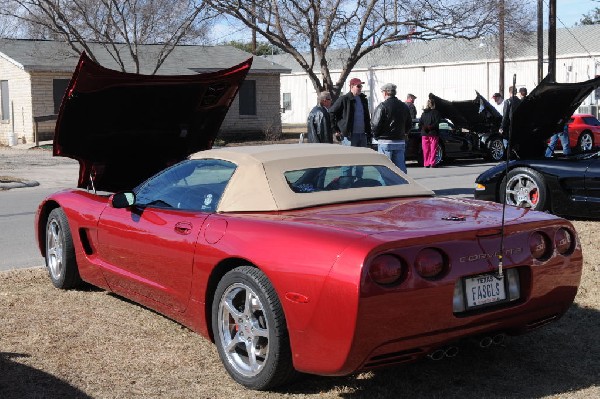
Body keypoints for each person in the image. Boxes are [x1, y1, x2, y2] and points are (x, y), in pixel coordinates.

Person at [371, 83, 412, 173]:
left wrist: (376, 136)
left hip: (385, 142)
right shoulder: (404, 106)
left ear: (385, 93)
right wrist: (404, 133)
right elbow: (409, 123)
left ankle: (387, 187)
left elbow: (375, 124)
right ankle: (403, 185)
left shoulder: (382, 106)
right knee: (401, 169)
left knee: (385, 169)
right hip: (400, 141)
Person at [329, 77, 372, 148]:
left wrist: (369, 133)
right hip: (349, 136)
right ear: (352, 86)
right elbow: (331, 112)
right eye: (358, 86)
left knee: (362, 157)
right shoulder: (344, 99)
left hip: (363, 135)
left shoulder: (363, 99)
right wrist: (335, 129)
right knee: (350, 158)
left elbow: (366, 117)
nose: (360, 88)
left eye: (361, 86)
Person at [419, 97, 442, 168]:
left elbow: (420, 123)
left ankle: (426, 163)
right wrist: (430, 127)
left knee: (425, 149)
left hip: (424, 133)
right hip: (433, 133)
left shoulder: (423, 113)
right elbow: (437, 123)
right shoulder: (436, 113)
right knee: (433, 149)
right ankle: (432, 163)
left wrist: (424, 128)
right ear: (434, 104)